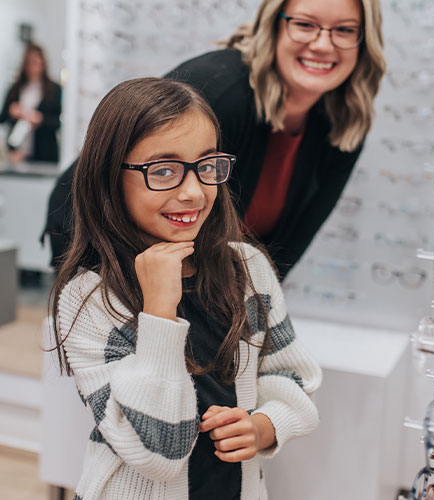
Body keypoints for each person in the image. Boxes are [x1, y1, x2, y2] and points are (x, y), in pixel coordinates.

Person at [50, 77, 322, 500]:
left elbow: (290, 374)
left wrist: (265, 425)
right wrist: (159, 311)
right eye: (163, 171)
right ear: (110, 178)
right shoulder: (90, 299)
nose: (194, 191)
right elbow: (159, 452)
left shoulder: (248, 268)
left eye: (207, 166)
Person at [44, 0, 385, 278]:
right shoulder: (221, 92)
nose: (323, 44)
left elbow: (289, 248)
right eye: (305, 24)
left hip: (207, 277)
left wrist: (259, 305)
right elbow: (102, 189)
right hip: (103, 249)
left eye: (345, 30)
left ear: (365, 40)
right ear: (274, 26)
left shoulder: (344, 123)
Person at [0, 42, 61, 163]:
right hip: (17, 153)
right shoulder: (15, 89)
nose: (37, 68)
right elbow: (2, 118)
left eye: (39, 64)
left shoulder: (54, 89)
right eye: (33, 63)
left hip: (44, 154)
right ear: (26, 65)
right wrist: (11, 110)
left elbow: (57, 122)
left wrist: (40, 120)